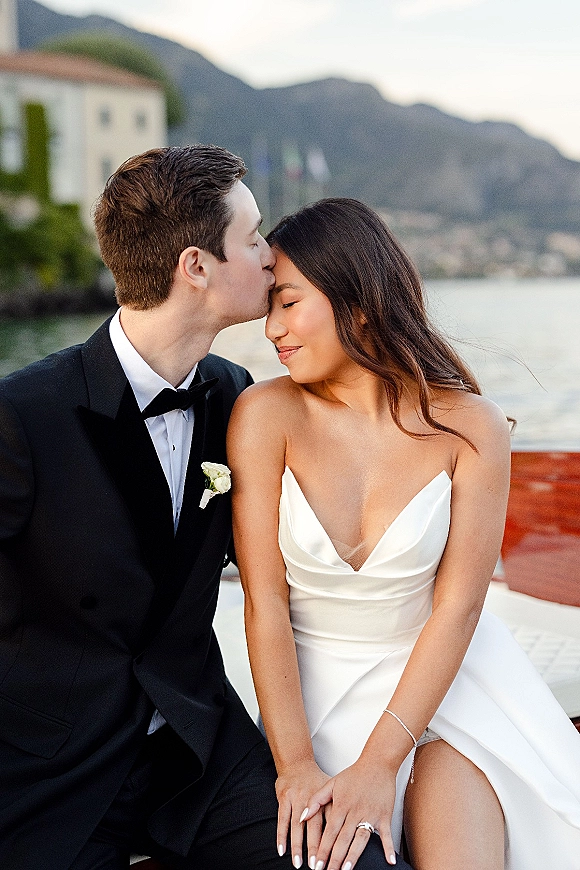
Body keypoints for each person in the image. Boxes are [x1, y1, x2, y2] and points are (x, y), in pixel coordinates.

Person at [0, 146, 377, 870]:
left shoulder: (239, 397)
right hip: (51, 768)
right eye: (255, 237)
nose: (272, 258)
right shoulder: (24, 416)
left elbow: (324, 533)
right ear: (197, 266)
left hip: (199, 751)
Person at [227, 198, 580, 870]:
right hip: (313, 696)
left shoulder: (470, 425)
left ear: (358, 302)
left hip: (449, 682)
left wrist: (382, 761)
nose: (270, 327)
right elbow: (263, 604)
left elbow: (459, 608)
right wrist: (295, 764)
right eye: (269, 304)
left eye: (288, 303)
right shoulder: (263, 414)